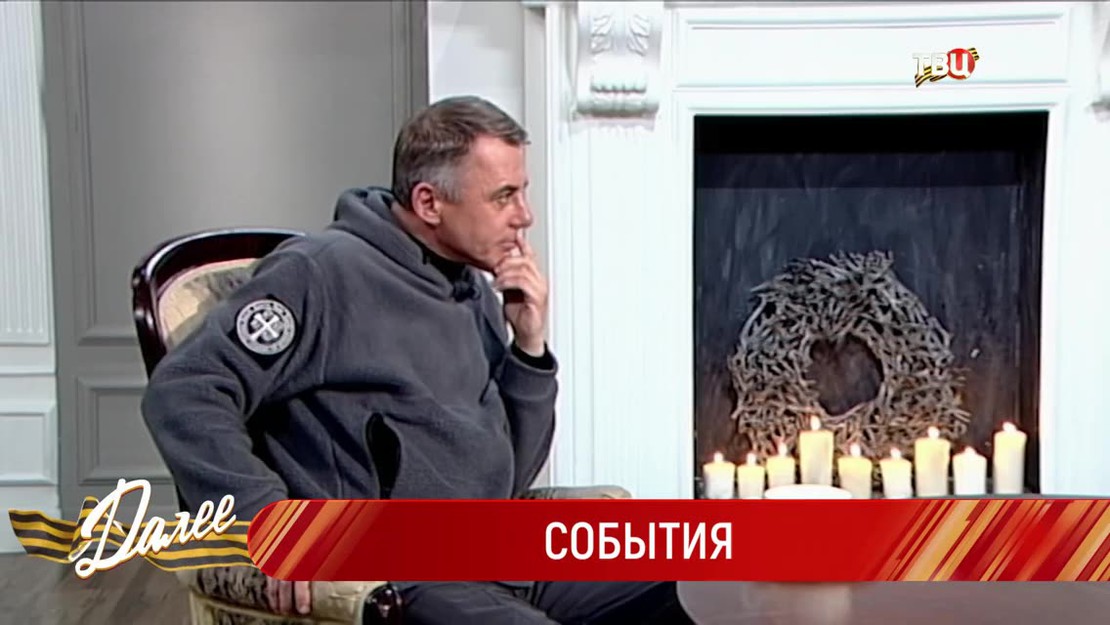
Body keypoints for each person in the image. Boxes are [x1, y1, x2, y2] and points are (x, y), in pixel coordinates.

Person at [141, 95, 692, 625]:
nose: (524, 216)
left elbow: (512, 474)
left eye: (523, 192)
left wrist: (528, 347)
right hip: (399, 569)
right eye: (503, 197)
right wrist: (265, 517)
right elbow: (184, 391)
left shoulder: (473, 286)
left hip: (499, 554)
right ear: (429, 203)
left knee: (703, 584)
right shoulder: (321, 274)